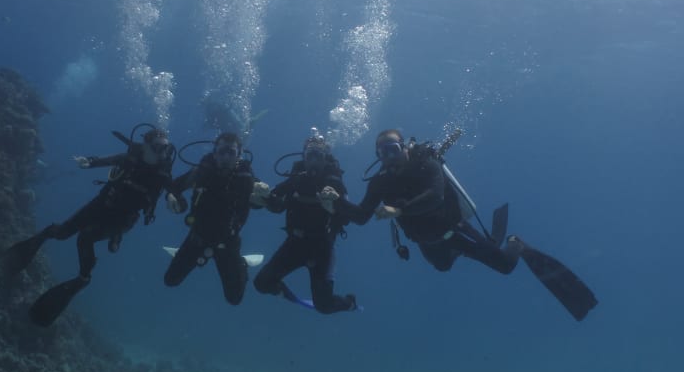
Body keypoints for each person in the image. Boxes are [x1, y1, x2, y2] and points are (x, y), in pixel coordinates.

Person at [319, 128, 598, 321]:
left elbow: (435, 197)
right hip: (427, 242)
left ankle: (515, 243)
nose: (389, 158)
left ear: (404, 147)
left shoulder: (427, 164)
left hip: (454, 229)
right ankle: (470, 249)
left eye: (393, 149)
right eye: (383, 153)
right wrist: (338, 201)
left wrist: (398, 208)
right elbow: (362, 216)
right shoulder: (381, 182)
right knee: (442, 266)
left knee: (505, 266)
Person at [2, 125, 176, 327]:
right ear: (145, 146)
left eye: (166, 148)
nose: (162, 153)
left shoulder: (162, 173)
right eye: (157, 148)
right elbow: (107, 160)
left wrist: (174, 198)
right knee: (59, 232)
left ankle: (84, 277)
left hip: (122, 219)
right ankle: (37, 242)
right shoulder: (130, 158)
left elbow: (171, 188)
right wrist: (88, 162)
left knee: (85, 236)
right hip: (102, 204)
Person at [251, 129, 357, 314]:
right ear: (304, 157)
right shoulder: (295, 179)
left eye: (318, 155)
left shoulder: (334, 182)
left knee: (324, 306)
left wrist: (335, 205)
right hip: (295, 243)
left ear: (325, 158)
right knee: (261, 283)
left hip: (322, 248)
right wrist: (264, 197)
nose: (314, 160)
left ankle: (349, 303)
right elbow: (277, 204)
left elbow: (350, 216)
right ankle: (283, 292)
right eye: (310, 155)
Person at [163, 132, 255, 305]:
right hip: (198, 236)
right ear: (215, 153)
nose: (226, 157)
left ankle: (241, 265)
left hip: (228, 241)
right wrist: (171, 197)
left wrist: (265, 198)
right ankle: (200, 256)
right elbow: (174, 186)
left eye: (231, 152)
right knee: (170, 280)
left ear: (239, 155)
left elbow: (265, 201)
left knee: (234, 299)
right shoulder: (201, 172)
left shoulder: (246, 178)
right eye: (222, 151)